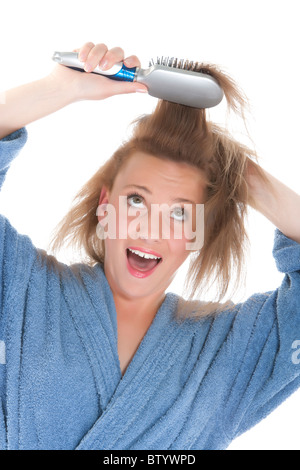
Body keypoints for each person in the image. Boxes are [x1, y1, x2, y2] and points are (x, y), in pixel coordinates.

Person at [0, 41, 299, 451]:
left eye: (180, 213)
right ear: (105, 207)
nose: (152, 228)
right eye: (137, 200)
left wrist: (242, 176)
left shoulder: (227, 352)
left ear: (200, 233)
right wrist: (59, 89)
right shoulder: (21, 287)